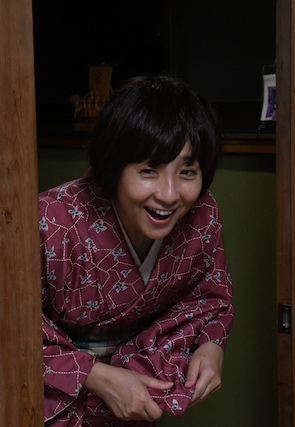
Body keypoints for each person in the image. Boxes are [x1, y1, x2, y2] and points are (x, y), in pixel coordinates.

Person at [39, 75, 235, 426]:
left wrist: (211, 346)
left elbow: (210, 297)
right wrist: (94, 375)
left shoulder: (202, 214)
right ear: (113, 167)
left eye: (187, 171)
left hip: (137, 403)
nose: (169, 194)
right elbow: (8, 328)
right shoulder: (52, 220)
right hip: (53, 403)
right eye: (148, 170)